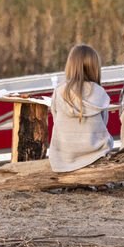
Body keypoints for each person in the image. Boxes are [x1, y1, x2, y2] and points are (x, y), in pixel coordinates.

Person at [48, 44, 112, 172]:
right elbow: (103, 123)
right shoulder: (100, 92)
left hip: (65, 155)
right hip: (95, 152)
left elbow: (56, 120)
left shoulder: (60, 91)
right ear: (95, 67)